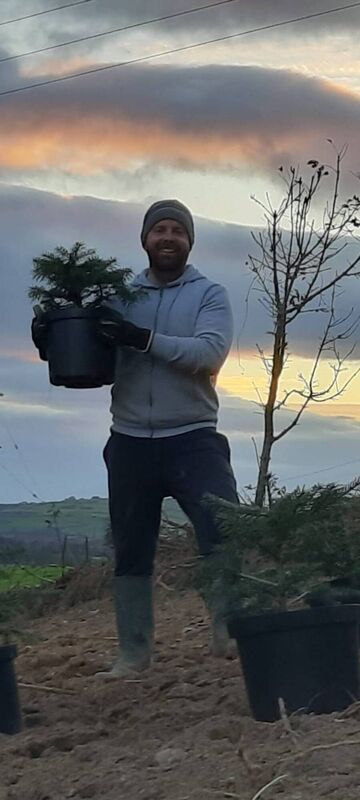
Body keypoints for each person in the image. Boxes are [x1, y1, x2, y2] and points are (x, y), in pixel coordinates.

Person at [32, 199, 239, 677]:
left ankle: (229, 633)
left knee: (222, 532)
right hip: (128, 441)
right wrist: (50, 338)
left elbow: (208, 354)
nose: (168, 238)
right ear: (144, 239)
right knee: (130, 549)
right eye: (159, 230)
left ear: (189, 242)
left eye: (177, 231)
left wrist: (140, 337)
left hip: (194, 436)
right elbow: (93, 365)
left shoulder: (210, 295)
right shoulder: (120, 296)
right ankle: (133, 653)